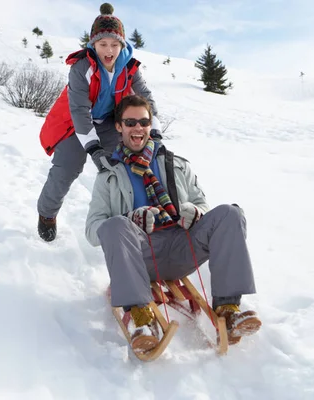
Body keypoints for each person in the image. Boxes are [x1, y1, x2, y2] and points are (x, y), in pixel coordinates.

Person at [86, 95, 261, 353]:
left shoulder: (176, 164)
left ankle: (229, 308)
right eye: (130, 122)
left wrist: (196, 211)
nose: (138, 128)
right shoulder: (109, 176)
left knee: (230, 214)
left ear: (150, 125)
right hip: (140, 258)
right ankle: (143, 320)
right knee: (114, 226)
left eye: (143, 122)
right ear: (119, 126)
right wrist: (128, 220)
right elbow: (93, 230)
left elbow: (203, 203)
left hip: (182, 247)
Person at [37, 3, 162, 242]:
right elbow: (79, 110)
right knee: (68, 167)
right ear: (93, 45)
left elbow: (145, 97)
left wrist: (153, 131)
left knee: (122, 167)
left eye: (115, 44)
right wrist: (93, 148)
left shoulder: (129, 67)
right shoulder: (81, 67)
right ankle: (47, 213)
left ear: (122, 45)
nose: (109, 50)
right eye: (103, 44)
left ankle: (129, 219)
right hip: (74, 123)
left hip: (107, 122)